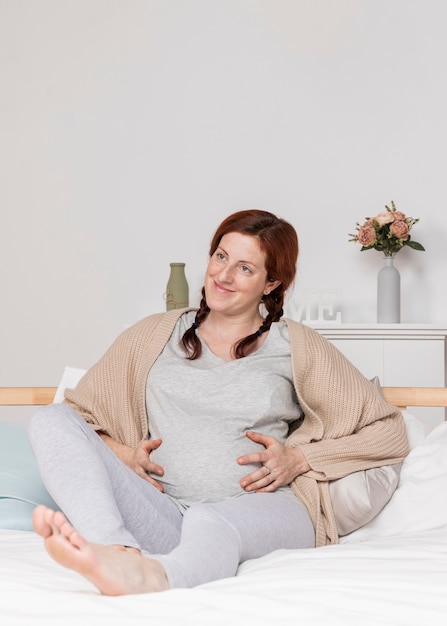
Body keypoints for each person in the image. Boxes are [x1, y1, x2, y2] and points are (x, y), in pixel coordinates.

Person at [28, 209, 409, 596]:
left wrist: (300, 459)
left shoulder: (294, 345)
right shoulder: (154, 334)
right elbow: (80, 421)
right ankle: (114, 552)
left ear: (271, 282)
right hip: (167, 514)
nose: (223, 276)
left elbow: (388, 430)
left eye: (245, 268)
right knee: (50, 418)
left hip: (270, 511)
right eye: (221, 256)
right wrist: (126, 456)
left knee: (210, 520)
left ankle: (154, 579)